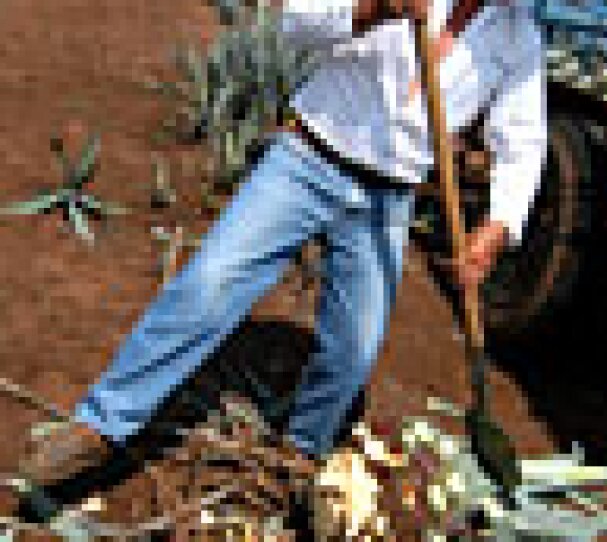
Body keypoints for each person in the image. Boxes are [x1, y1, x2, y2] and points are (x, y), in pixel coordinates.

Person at [17, 0, 547, 503]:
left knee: (354, 350)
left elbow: (522, 143)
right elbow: (297, 23)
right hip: (308, 160)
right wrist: (374, 9)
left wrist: (495, 229)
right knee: (210, 283)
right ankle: (102, 424)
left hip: (387, 198)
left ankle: (299, 456)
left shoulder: (517, 35)